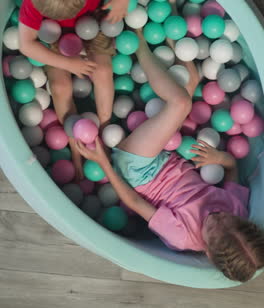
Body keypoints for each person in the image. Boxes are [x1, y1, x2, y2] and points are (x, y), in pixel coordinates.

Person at [76, 30, 264, 282]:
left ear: (208, 253)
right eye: (224, 217)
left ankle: (139, 37)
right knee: (193, 78)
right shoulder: (236, 209)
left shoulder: (182, 235)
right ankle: (171, 22)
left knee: (182, 104)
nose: (216, 216)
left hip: (139, 170)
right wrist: (217, 158)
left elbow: (134, 202)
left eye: (213, 228)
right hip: (168, 156)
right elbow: (232, 167)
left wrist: (104, 163)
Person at [18, 0, 143, 180]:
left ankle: (105, 131)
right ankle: (77, 149)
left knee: (103, 70)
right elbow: (26, 44)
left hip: (94, 20)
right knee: (60, 87)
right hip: (56, 37)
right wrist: (69, 65)